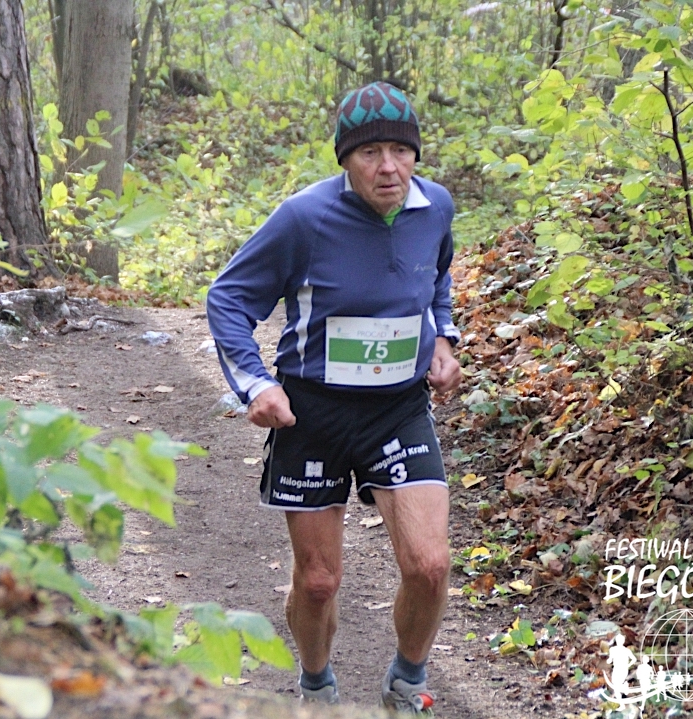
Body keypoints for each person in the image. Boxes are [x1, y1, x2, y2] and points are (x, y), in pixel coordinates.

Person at [206, 81, 462, 713]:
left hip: (398, 408)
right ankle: (317, 687)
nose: (388, 167)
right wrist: (256, 383)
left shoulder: (436, 207)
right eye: (370, 153)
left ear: (416, 155)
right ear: (346, 160)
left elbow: (437, 277)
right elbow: (228, 298)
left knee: (430, 566)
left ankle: (407, 682)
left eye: (400, 151)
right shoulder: (303, 219)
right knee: (319, 582)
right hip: (313, 411)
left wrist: (443, 337)